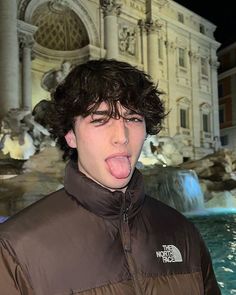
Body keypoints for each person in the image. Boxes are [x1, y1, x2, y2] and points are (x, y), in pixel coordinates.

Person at [0, 59, 221, 295]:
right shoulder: (13, 248)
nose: (121, 136)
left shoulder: (184, 232)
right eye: (100, 120)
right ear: (71, 136)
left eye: (134, 118)